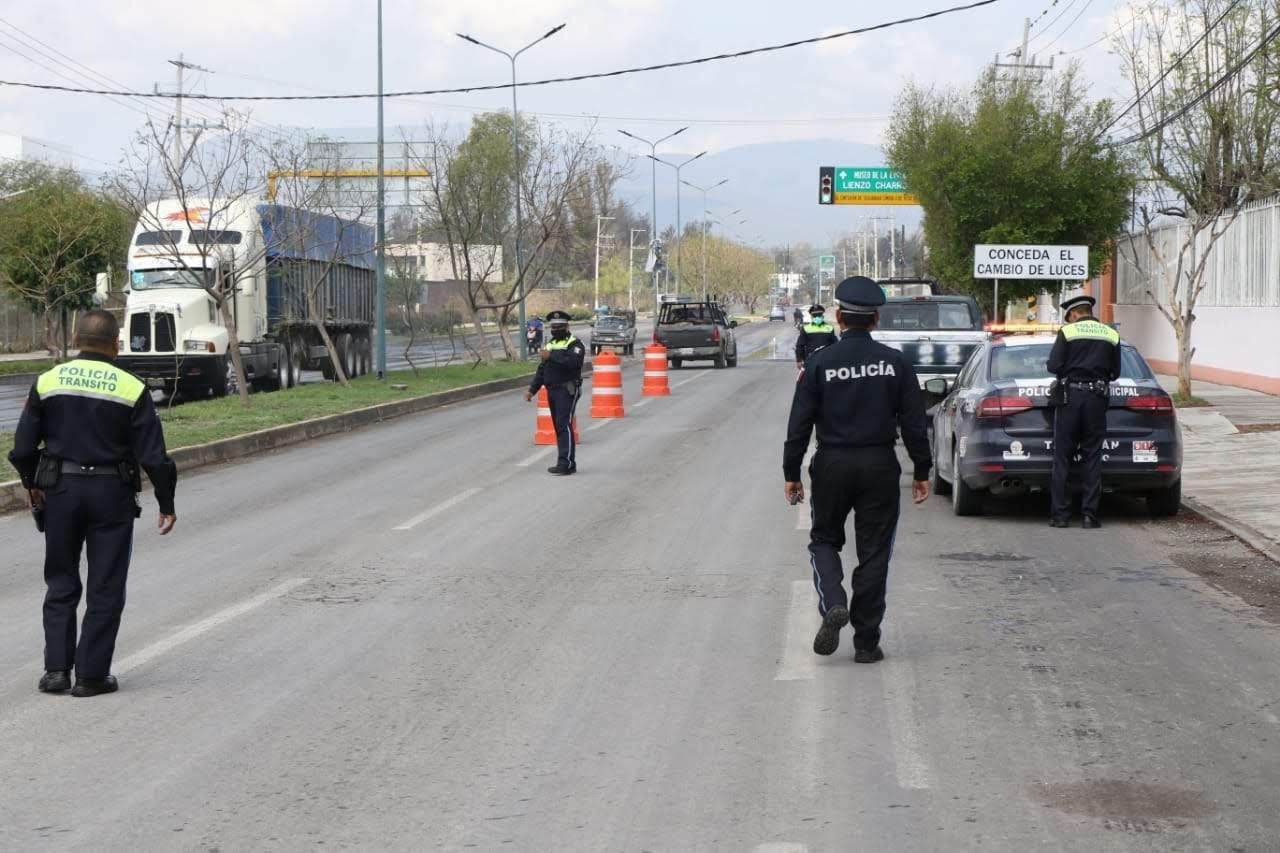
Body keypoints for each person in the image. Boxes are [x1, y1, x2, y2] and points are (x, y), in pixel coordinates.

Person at [8, 309, 177, 697]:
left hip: (61, 493)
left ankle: (55, 672)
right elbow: (153, 455)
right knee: (106, 585)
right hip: (110, 495)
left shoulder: (48, 381)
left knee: (61, 582)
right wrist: (166, 502)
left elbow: (21, 448)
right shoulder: (131, 387)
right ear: (116, 343)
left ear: (75, 338)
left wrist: (33, 484)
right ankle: (91, 676)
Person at [783, 276, 932, 663]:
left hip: (832, 463)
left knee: (824, 540)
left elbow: (799, 423)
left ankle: (834, 601)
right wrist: (921, 470)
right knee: (875, 553)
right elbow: (914, 423)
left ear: (838, 317)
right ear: (875, 319)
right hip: (880, 465)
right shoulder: (896, 363)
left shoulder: (818, 363)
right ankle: (866, 643)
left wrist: (791, 473)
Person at [1046, 293, 1122, 530]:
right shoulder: (1111, 334)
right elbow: (1115, 372)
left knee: (1063, 458)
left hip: (1070, 399)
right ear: (1090, 311)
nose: (1069, 321)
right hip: (1096, 400)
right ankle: (1090, 516)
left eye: (1069, 317)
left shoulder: (1067, 333)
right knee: (1092, 457)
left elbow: (1053, 366)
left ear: (1075, 314)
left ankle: (1060, 516)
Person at [524, 310, 586, 475]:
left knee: (563, 425)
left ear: (567, 326)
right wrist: (532, 390)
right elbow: (542, 370)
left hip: (567, 389)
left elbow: (572, 362)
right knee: (559, 427)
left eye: (559, 326)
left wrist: (551, 356)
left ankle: (565, 463)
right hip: (551, 390)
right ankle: (567, 462)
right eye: (554, 326)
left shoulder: (575, 344)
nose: (556, 329)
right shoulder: (549, 344)